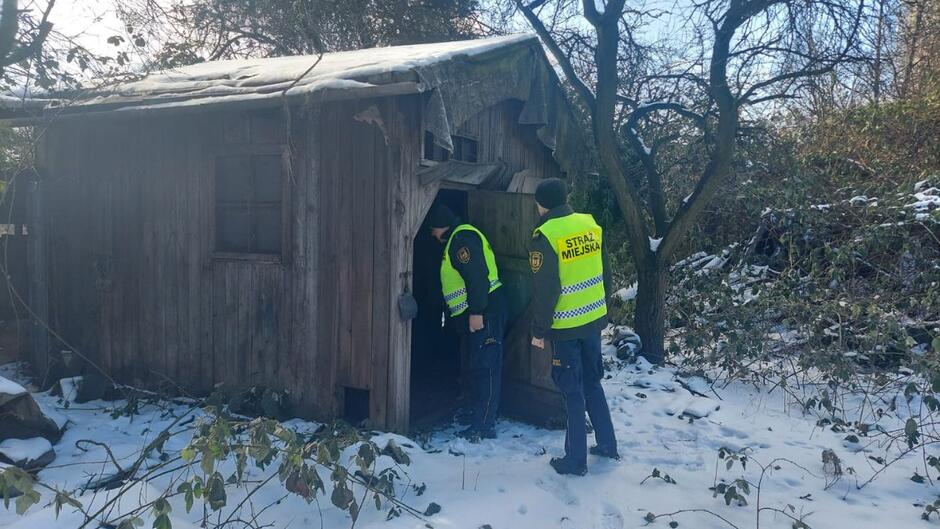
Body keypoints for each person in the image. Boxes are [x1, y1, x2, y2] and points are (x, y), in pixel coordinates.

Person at [529, 178, 619, 475]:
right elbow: (606, 273)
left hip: (566, 327)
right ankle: (607, 445)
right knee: (592, 382)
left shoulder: (545, 235)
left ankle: (575, 460)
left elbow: (546, 291)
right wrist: (603, 309)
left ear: (541, 204)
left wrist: (539, 331)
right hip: (593, 320)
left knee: (572, 391)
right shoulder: (589, 224)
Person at [428, 204, 507, 440]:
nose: (432, 235)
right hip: (478, 313)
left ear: (440, 226)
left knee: (486, 368)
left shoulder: (462, 239)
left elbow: (477, 276)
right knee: (477, 365)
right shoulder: (457, 239)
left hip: (485, 313)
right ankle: (477, 416)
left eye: (432, 230)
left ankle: (484, 424)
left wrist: (476, 312)